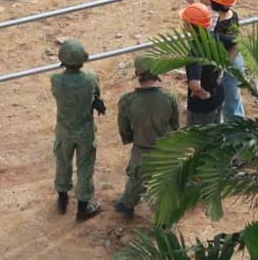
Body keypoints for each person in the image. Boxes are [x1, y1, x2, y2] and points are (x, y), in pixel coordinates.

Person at [114, 55, 180, 220]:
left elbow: (124, 129)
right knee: (166, 185)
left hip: (142, 149)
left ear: (137, 74)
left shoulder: (127, 101)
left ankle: (127, 205)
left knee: (136, 180)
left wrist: (134, 138)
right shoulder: (170, 98)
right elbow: (175, 126)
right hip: (166, 151)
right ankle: (166, 216)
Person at [50, 39, 104, 221]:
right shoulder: (90, 78)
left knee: (63, 162)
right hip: (85, 131)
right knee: (85, 167)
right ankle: (83, 206)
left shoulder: (56, 80)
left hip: (64, 130)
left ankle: (62, 199)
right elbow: (96, 94)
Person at [204, 0, 246, 121]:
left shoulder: (224, 27)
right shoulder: (230, 15)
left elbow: (236, 44)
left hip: (229, 62)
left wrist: (224, 66)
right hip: (231, 60)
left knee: (231, 100)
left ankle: (236, 129)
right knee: (230, 98)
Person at [180, 3, 225, 126]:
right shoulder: (214, 36)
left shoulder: (195, 49)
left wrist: (200, 93)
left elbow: (195, 84)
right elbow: (235, 43)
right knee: (217, 131)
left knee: (200, 136)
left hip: (202, 107)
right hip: (218, 95)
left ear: (189, 25)